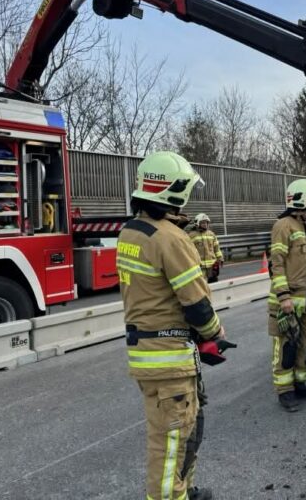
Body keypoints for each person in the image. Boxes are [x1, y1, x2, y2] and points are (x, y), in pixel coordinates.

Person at [117, 151, 224, 500]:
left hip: (147, 352)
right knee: (169, 444)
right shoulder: (171, 239)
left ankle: (185, 491)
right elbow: (196, 304)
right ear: (173, 192)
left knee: (179, 435)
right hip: (168, 359)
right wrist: (216, 334)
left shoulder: (132, 232)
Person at [268, 179, 306, 412]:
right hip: (288, 301)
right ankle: (285, 390)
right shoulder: (284, 226)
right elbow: (277, 264)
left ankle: (300, 384)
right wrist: (284, 298)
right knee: (286, 349)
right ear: (301, 199)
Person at [188, 213, 224, 283]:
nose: (205, 224)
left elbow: (216, 248)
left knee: (214, 284)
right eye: (203, 223)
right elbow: (189, 251)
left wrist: (220, 258)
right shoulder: (191, 235)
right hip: (200, 267)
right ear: (197, 223)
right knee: (202, 286)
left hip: (212, 266)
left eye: (206, 222)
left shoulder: (211, 234)